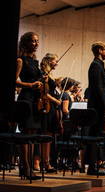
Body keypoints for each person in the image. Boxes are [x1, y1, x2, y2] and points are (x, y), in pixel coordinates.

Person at [15, 32, 43, 180]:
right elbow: (14, 81)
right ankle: (25, 168)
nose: (36, 43)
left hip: (35, 101)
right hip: (26, 100)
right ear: (26, 43)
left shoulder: (35, 61)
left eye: (37, 41)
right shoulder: (20, 60)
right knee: (26, 135)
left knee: (32, 135)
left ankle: (29, 167)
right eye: (33, 41)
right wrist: (31, 84)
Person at [86, 41, 105, 175]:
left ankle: (93, 166)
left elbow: (104, 86)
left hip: (98, 106)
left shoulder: (100, 65)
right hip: (97, 107)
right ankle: (92, 167)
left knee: (97, 136)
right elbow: (98, 89)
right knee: (94, 136)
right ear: (100, 50)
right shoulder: (96, 65)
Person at [39, 53, 61, 172]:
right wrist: (56, 100)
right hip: (47, 106)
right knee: (46, 135)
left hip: (51, 107)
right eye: (55, 61)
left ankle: (46, 162)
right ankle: (45, 162)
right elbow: (45, 93)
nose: (57, 63)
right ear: (49, 61)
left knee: (49, 135)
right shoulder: (43, 73)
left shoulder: (50, 74)